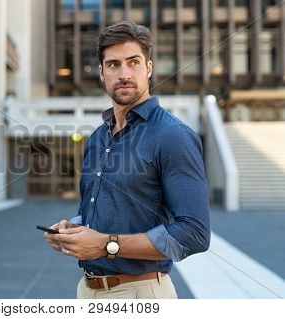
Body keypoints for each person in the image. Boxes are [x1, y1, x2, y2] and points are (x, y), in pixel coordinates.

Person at [43, 21, 211, 299]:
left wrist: (104, 245)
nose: (124, 73)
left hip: (140, 293)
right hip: (87, 291)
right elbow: (109, 212)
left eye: (133, 62)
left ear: (148, 68)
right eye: (113, 64)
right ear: (101, 73)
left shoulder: (173, 136)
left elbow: (194, 233)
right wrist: (73, 230)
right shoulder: (97, 138)